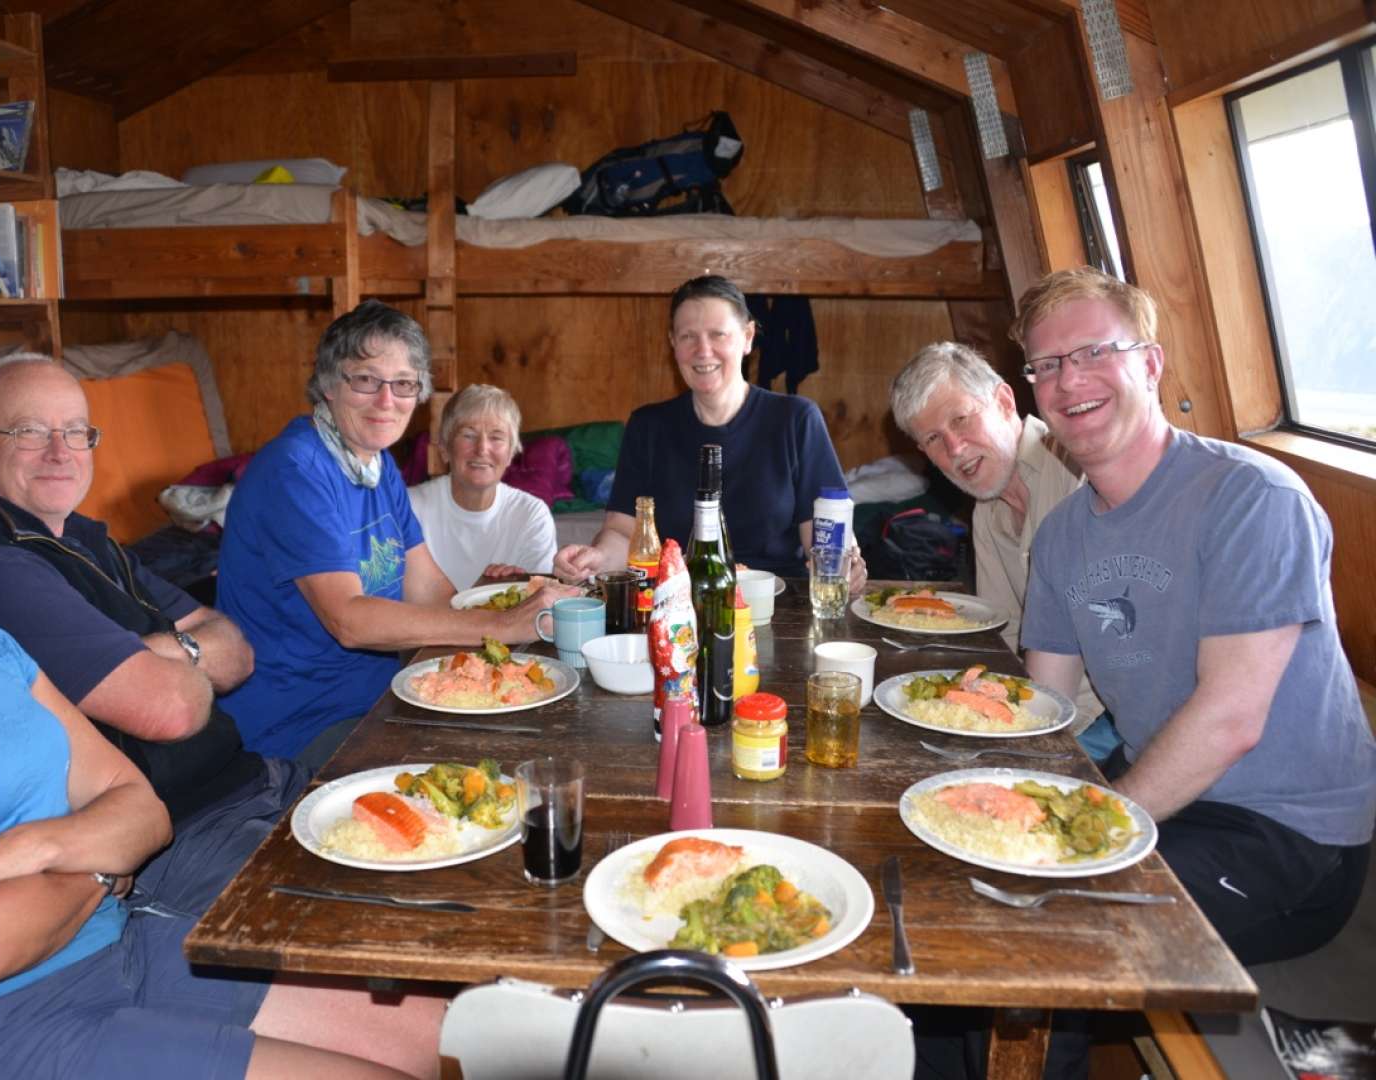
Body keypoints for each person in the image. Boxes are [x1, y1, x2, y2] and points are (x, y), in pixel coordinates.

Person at [0, 386, 440, 1078]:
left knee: (433, 1035)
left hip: (125, 948)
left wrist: (31, 849)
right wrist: (98, 861)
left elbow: (140, 809)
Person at [1015, 267, 1376, 964]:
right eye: (1047, 365)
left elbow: (1233, 719)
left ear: (1149, 364)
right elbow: (1045, 708)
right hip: (1166, 790)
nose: (1069, 381)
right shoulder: (1061, 536)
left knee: (1058, 936)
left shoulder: (1251, 499)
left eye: (1095, 352)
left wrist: (1087, 829)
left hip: (1284, 832)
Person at [0, 354, 305, 917]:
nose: (60, 452)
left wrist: (144, 654)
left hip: (248, 789)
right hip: (176, 842)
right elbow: (170, 708)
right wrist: (174, 658)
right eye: (30, 431)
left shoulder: (77, 535)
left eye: (76, 432)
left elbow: (236, 650)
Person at [216, 300, 575, 765]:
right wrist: (500, 625)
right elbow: (349, 620)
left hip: (376, 699)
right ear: (328, 384)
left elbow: (429, 590)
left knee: (540, 729)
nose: (387, 401)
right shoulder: (295, 471)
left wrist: (523, 622)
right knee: (500, 765)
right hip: (301, 726)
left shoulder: (376, 464)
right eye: (366, 380)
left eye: (403, 384)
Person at [553, 275, 866, 586]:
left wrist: (845, 561)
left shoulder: (796, 419)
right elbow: (622, 531)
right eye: (688, 336)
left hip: (778, 602)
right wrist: (594, 557)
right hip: (680, 604)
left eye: (718, 335)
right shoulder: (648, 426)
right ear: (673, 343)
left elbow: (826, 531)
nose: (703, 351)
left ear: (747, 337)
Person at [889, 341, 1117, 758]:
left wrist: (1019, 742)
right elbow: (1003, 635)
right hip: (1041, 711)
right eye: (934, 439)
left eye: (962, 419)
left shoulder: (1078, 471)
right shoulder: (986, 510)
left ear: (1004, 401)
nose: (955, 449)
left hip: (1109, 724)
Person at [407, 383, 557, 590]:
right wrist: (481, 596)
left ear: (511, 453)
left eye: (496, 437)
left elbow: (538, 605)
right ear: (444, 448)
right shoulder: (409, 507)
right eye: (469, 435)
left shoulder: (531, 514)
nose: (482, 449)